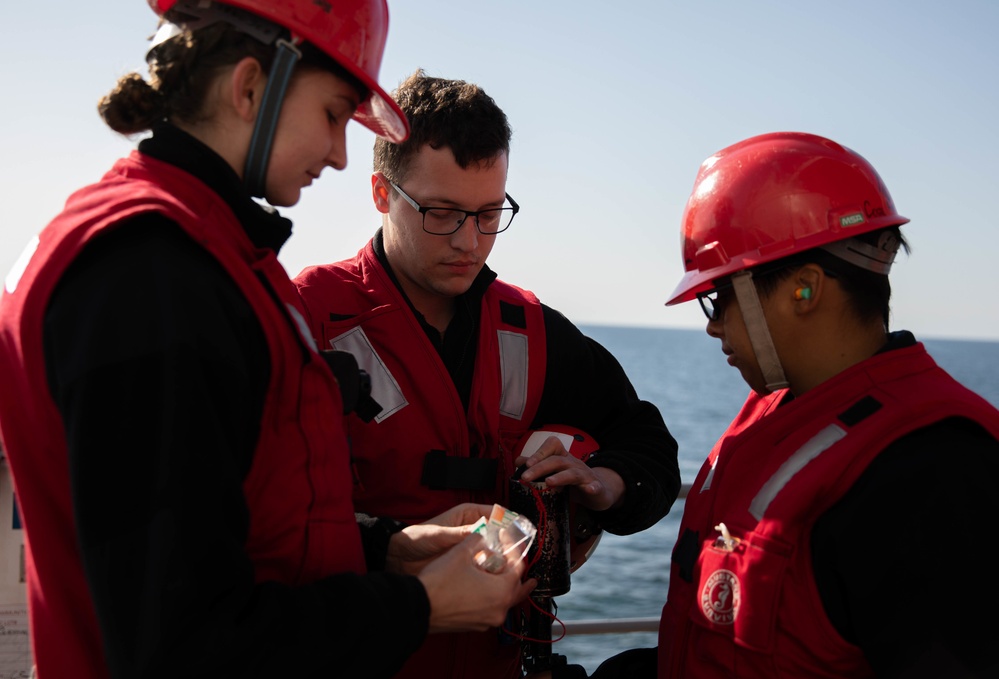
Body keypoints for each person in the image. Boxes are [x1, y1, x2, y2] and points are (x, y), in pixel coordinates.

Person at [0, 3, 534, 678]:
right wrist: (419, 603)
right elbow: (184, 644)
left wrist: (387, 548)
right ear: (250, 86)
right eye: (335, 115)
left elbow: (225, 525)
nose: (341, 155)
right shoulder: (153, 276)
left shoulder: (188, 254)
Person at [293, 69, 682, 679]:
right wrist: (393, 546)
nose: (469, 242)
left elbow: (650, 448)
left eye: (488, 214)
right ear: (380, 191)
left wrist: (604, 484)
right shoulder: (306, 317)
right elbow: (265, 518)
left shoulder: (530, 327)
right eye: (442, 213)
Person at [576, 131, 999, 679]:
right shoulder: (778, 414)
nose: (712, 325)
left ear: (805, 288)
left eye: (721, 295)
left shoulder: (934, 472)